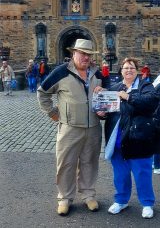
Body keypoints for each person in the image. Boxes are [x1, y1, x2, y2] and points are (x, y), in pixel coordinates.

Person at [37, 39, 109, 216]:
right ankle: (64, 198)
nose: (86, 57)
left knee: (89, 163)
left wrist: (103, 111)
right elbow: (42, 92)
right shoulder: (61, 72)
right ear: (73, 53)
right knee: (66, 164)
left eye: (89, 55)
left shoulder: (97, 74)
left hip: (93, 128)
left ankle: (88, 195)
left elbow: (106, 98)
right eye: (82, 53)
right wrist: (53, 113)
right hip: (70, 128)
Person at [102, 57, 160, 219]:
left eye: (132, 68)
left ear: (137, 71)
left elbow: (151, 102)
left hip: (138, 138)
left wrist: (128, 97)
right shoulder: (115, 88)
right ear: (121, 70)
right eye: (126, 68)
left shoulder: (145, 86)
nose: (128, 70)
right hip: (117, 138)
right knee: (120, 173)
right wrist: (102, 112)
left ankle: (147, 203)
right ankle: (121, 200)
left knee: (142, 172)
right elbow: (109, 111)